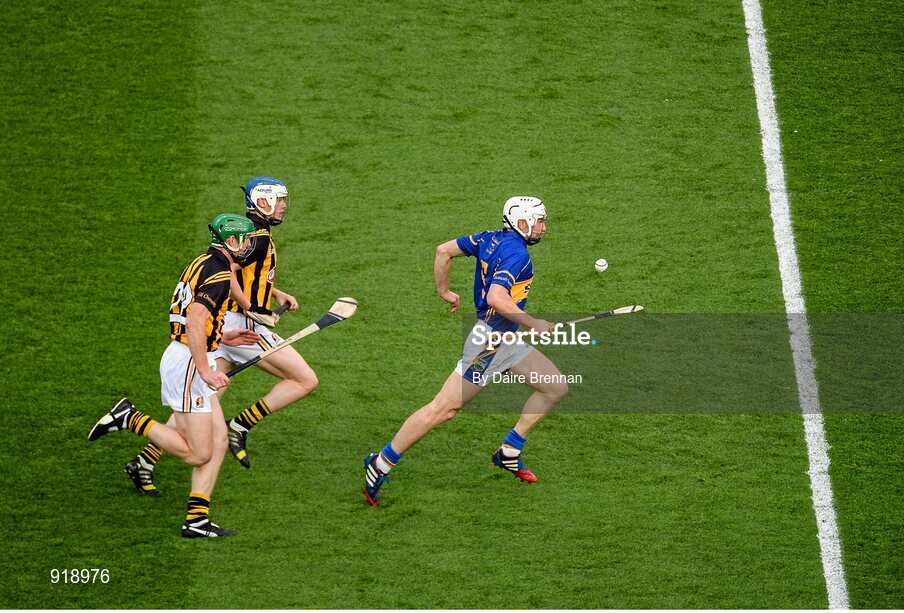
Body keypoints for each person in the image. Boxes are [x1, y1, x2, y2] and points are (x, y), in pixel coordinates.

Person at [362, 196, 569, 506]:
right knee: (442, 409)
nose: (544, 227)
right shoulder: (517, 254)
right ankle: (379, 464)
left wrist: (444, 291)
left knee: (554, 387)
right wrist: (532, 322)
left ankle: (509, 451)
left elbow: (443, 250)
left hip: (507, 339)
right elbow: (497, 297)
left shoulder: (489, 238)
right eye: (540, 221)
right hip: (489, 344)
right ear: (523, 223)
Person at [123, 177, 317, 496]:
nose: (284, 205)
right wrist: (253, 309)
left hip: (228, 322)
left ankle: (144, 461)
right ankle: (241, 425)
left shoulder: (248, 232)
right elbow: (230, 275)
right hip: (240, 326)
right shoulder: (259, 240)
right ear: (263, 201)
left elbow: (237, 274)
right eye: (279, 200)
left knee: (202, 400)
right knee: (305, 380)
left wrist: (272, 293)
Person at [88, 214, 261, 538]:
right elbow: (195, 322)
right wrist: (207, 368)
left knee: (219, 440)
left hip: (189, 356)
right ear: (232, 241)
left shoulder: (200, 263)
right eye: (245, 239)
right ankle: (129, 418)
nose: (249, 245)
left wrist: (223, 339)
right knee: (198, 452)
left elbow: (191, 318)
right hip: (188, 365)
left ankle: (196, 519)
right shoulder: (221, 274)